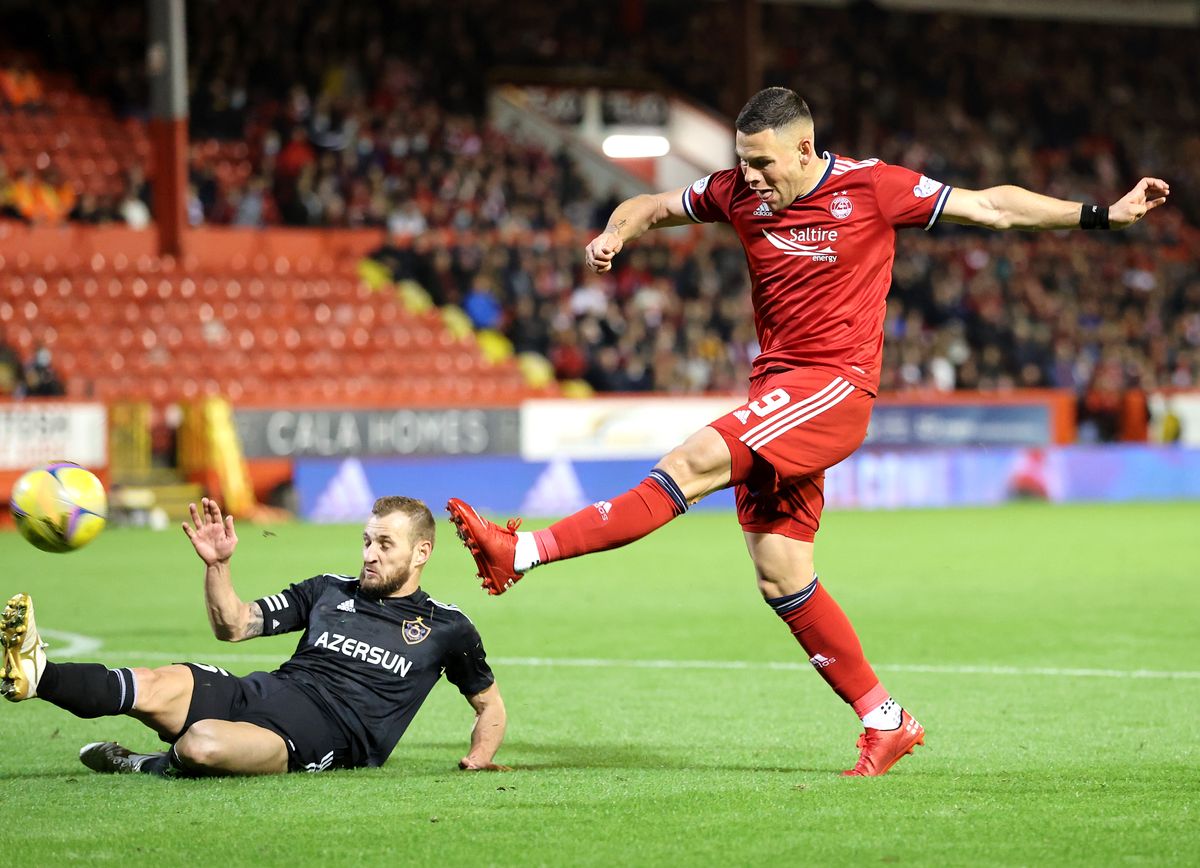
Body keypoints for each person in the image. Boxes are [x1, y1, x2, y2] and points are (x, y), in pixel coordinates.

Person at [446, 87, 1170, 777]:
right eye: (742, 161)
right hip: (778, 390)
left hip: (832, 388)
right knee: (780, 573)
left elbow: (993, 208)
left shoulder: (872, 188)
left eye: (764, 163)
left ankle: (523, 551)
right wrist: (614, 233)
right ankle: (886, 720)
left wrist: (1104, 214)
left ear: (805, 148)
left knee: (692, 459)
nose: (750, 177)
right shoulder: (734, 190)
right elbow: (653, 204)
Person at [2, 496, 508, 776]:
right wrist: (218, 566)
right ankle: (37, 675)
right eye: (367, 541)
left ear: (421, 553)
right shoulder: (328, 589)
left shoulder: (447, 627)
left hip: (323, 736)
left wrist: (479, 757)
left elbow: (490, 705)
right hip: (263, 691)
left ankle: (141, 764)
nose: (370, 554)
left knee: (203, 744)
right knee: (153, 682)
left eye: (385, 544)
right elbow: (235, 625)